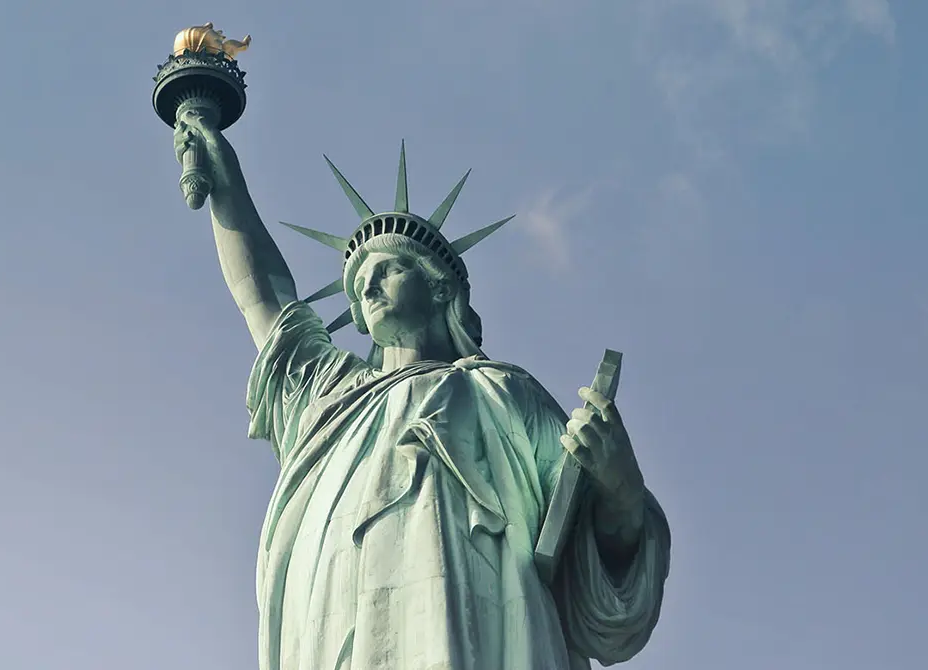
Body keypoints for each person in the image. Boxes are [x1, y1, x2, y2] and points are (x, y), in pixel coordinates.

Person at [171, 100, 671, 670]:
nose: (370, 285)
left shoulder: (502, 393)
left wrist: (619, 486)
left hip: (477, 633)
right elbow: (264, 297)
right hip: (336, 627)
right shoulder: (329, 397)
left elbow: (584, 541)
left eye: (388, 269)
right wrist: (223, 178)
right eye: (360, 280)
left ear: (438, 289)